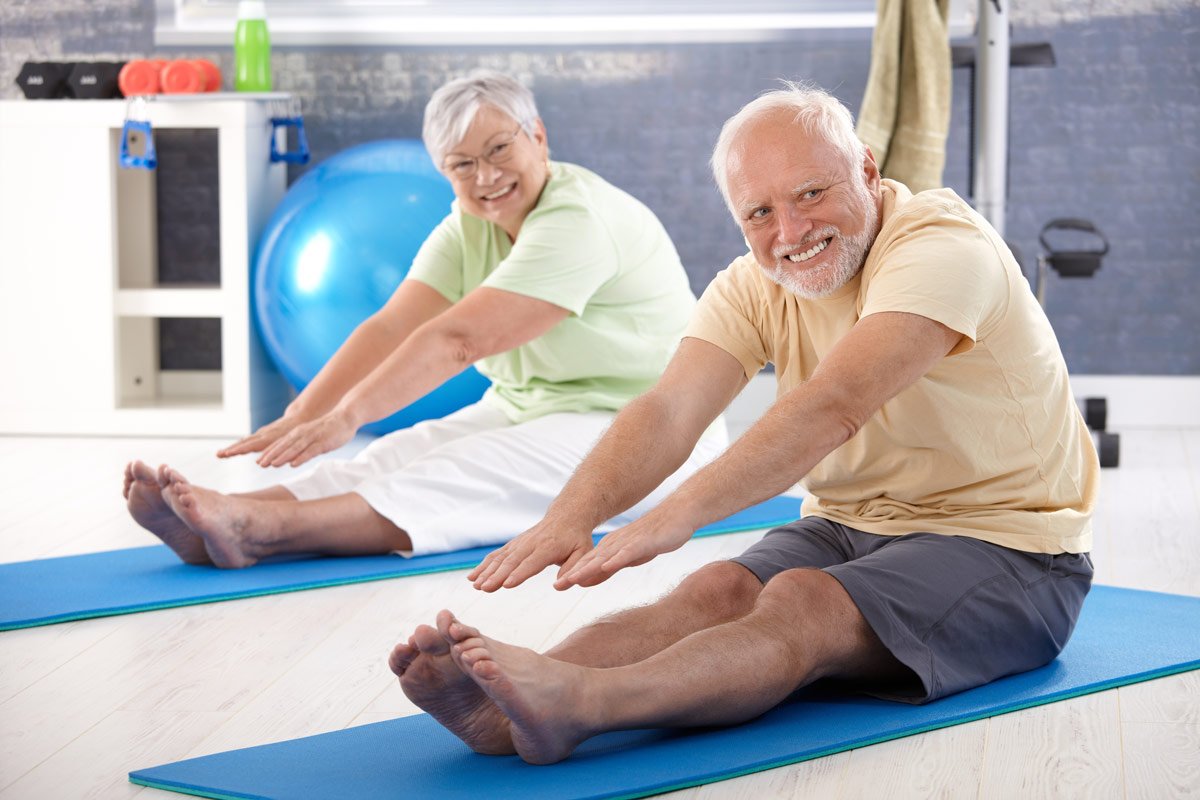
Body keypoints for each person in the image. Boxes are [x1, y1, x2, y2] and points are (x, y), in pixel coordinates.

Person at [389, 82, 1099, 765]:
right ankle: (503, 704)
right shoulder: (753, 284)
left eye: (811, 193)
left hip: (1010, 550)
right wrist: (571, 516)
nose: (790, 232)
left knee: (802, 599)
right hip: (852, 526)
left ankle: (583, 705)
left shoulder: (940, 248)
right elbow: (669, 409)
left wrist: (678, 513)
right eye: (759, 213)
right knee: (715, 591)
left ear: (867, 170)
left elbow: (834, 404)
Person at [122, 70, 726, 568]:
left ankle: (261, 530)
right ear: (443, 171)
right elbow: (389, 326)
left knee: (468, 471)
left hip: (658, 431)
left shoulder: (577, 220)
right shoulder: (470, 227)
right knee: (398, 452)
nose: (486, 177)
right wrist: (305, 414)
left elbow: (459, 340)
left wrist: (350, 415)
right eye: (462, 165)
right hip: (538, 407)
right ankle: (220, 518)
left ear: (537, 135)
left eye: (499, 150)